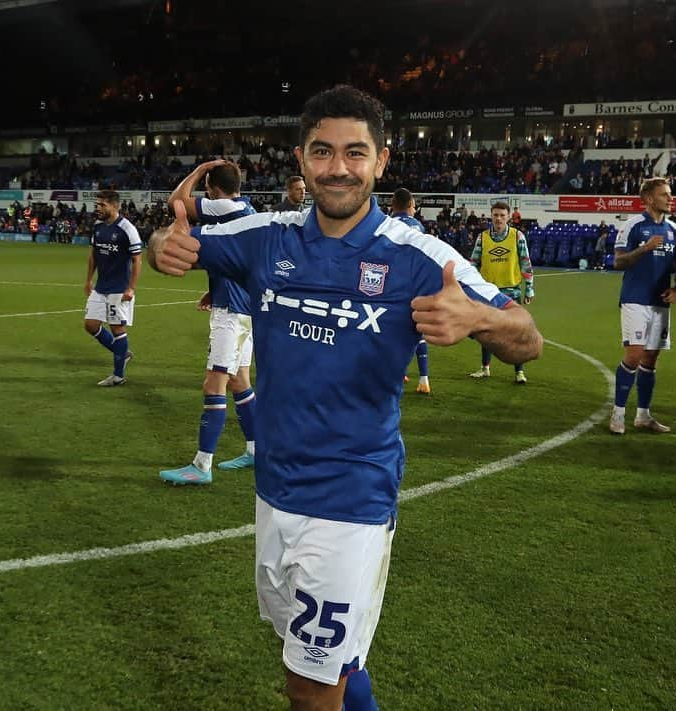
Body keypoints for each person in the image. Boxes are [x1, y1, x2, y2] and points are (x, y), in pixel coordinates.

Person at [147, 84, 542, 711]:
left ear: (381, 162)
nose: (338, 168)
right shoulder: (266, 237)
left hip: (352, 495)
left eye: (355, 153)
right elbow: (179, 244)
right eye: (323, 151)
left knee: (308, 687)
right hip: (276, 488)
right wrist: (162, 250)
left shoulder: (417, 257)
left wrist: (478, 320)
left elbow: (529, 337)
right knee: (328, 661)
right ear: (301, 161)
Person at [160, 160, 259, 485]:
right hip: (244, 307)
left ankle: (201, 466)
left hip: (232, 312)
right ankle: (257, 449)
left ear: (213, 189)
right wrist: (213, 288)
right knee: (239, 381)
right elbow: (237, 258)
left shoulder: (221, 205)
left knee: (213, 383)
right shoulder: (246, 208)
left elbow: (176, 202)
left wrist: (200, 169)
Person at [609, 177, 676, 434]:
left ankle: (643, 415)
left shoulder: (675, 230)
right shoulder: (633, 226)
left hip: (660, 303)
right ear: (650, 199)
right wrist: (644, 249)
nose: (670, 198)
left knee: (651, 358)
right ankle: (618, 413)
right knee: (634, 355)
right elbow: (618, 262)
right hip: (635, 299)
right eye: (665, 194)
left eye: (670, 193)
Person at [468, 201, 535, 383]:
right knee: (486, 331)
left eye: (502, 215)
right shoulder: (482, 238)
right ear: (491, 216)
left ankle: (519, 372)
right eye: (495, 215)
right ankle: (485, 368)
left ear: (508, 217)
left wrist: (529, 288)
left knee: (516, 331)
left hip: (511, 291)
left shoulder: (517, 236)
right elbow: (473, 263)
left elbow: (525, 263)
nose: (498, 218)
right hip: (488, 291)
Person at [82, 189, 142, 386]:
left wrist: (131, 288)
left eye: (102, 205)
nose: (98, 208)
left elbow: (137, 260)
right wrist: (89, 279)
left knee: (117, 328)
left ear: (114, 206)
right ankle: (122, 353)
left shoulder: (127, 229)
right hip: (101, 286)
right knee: (90, 325)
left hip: (119, 288)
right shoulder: (98, 227)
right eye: (97, 204)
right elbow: (94, 254)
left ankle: (118, 376)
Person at [389, 187, 432, 394]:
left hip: (391, 288)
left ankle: (397, 372)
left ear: (392, 206)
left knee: (389, 331)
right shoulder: (418, 226)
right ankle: (424, 379)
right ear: (409, 206)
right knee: (417, 331)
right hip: (415, 286)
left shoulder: (386, 224)